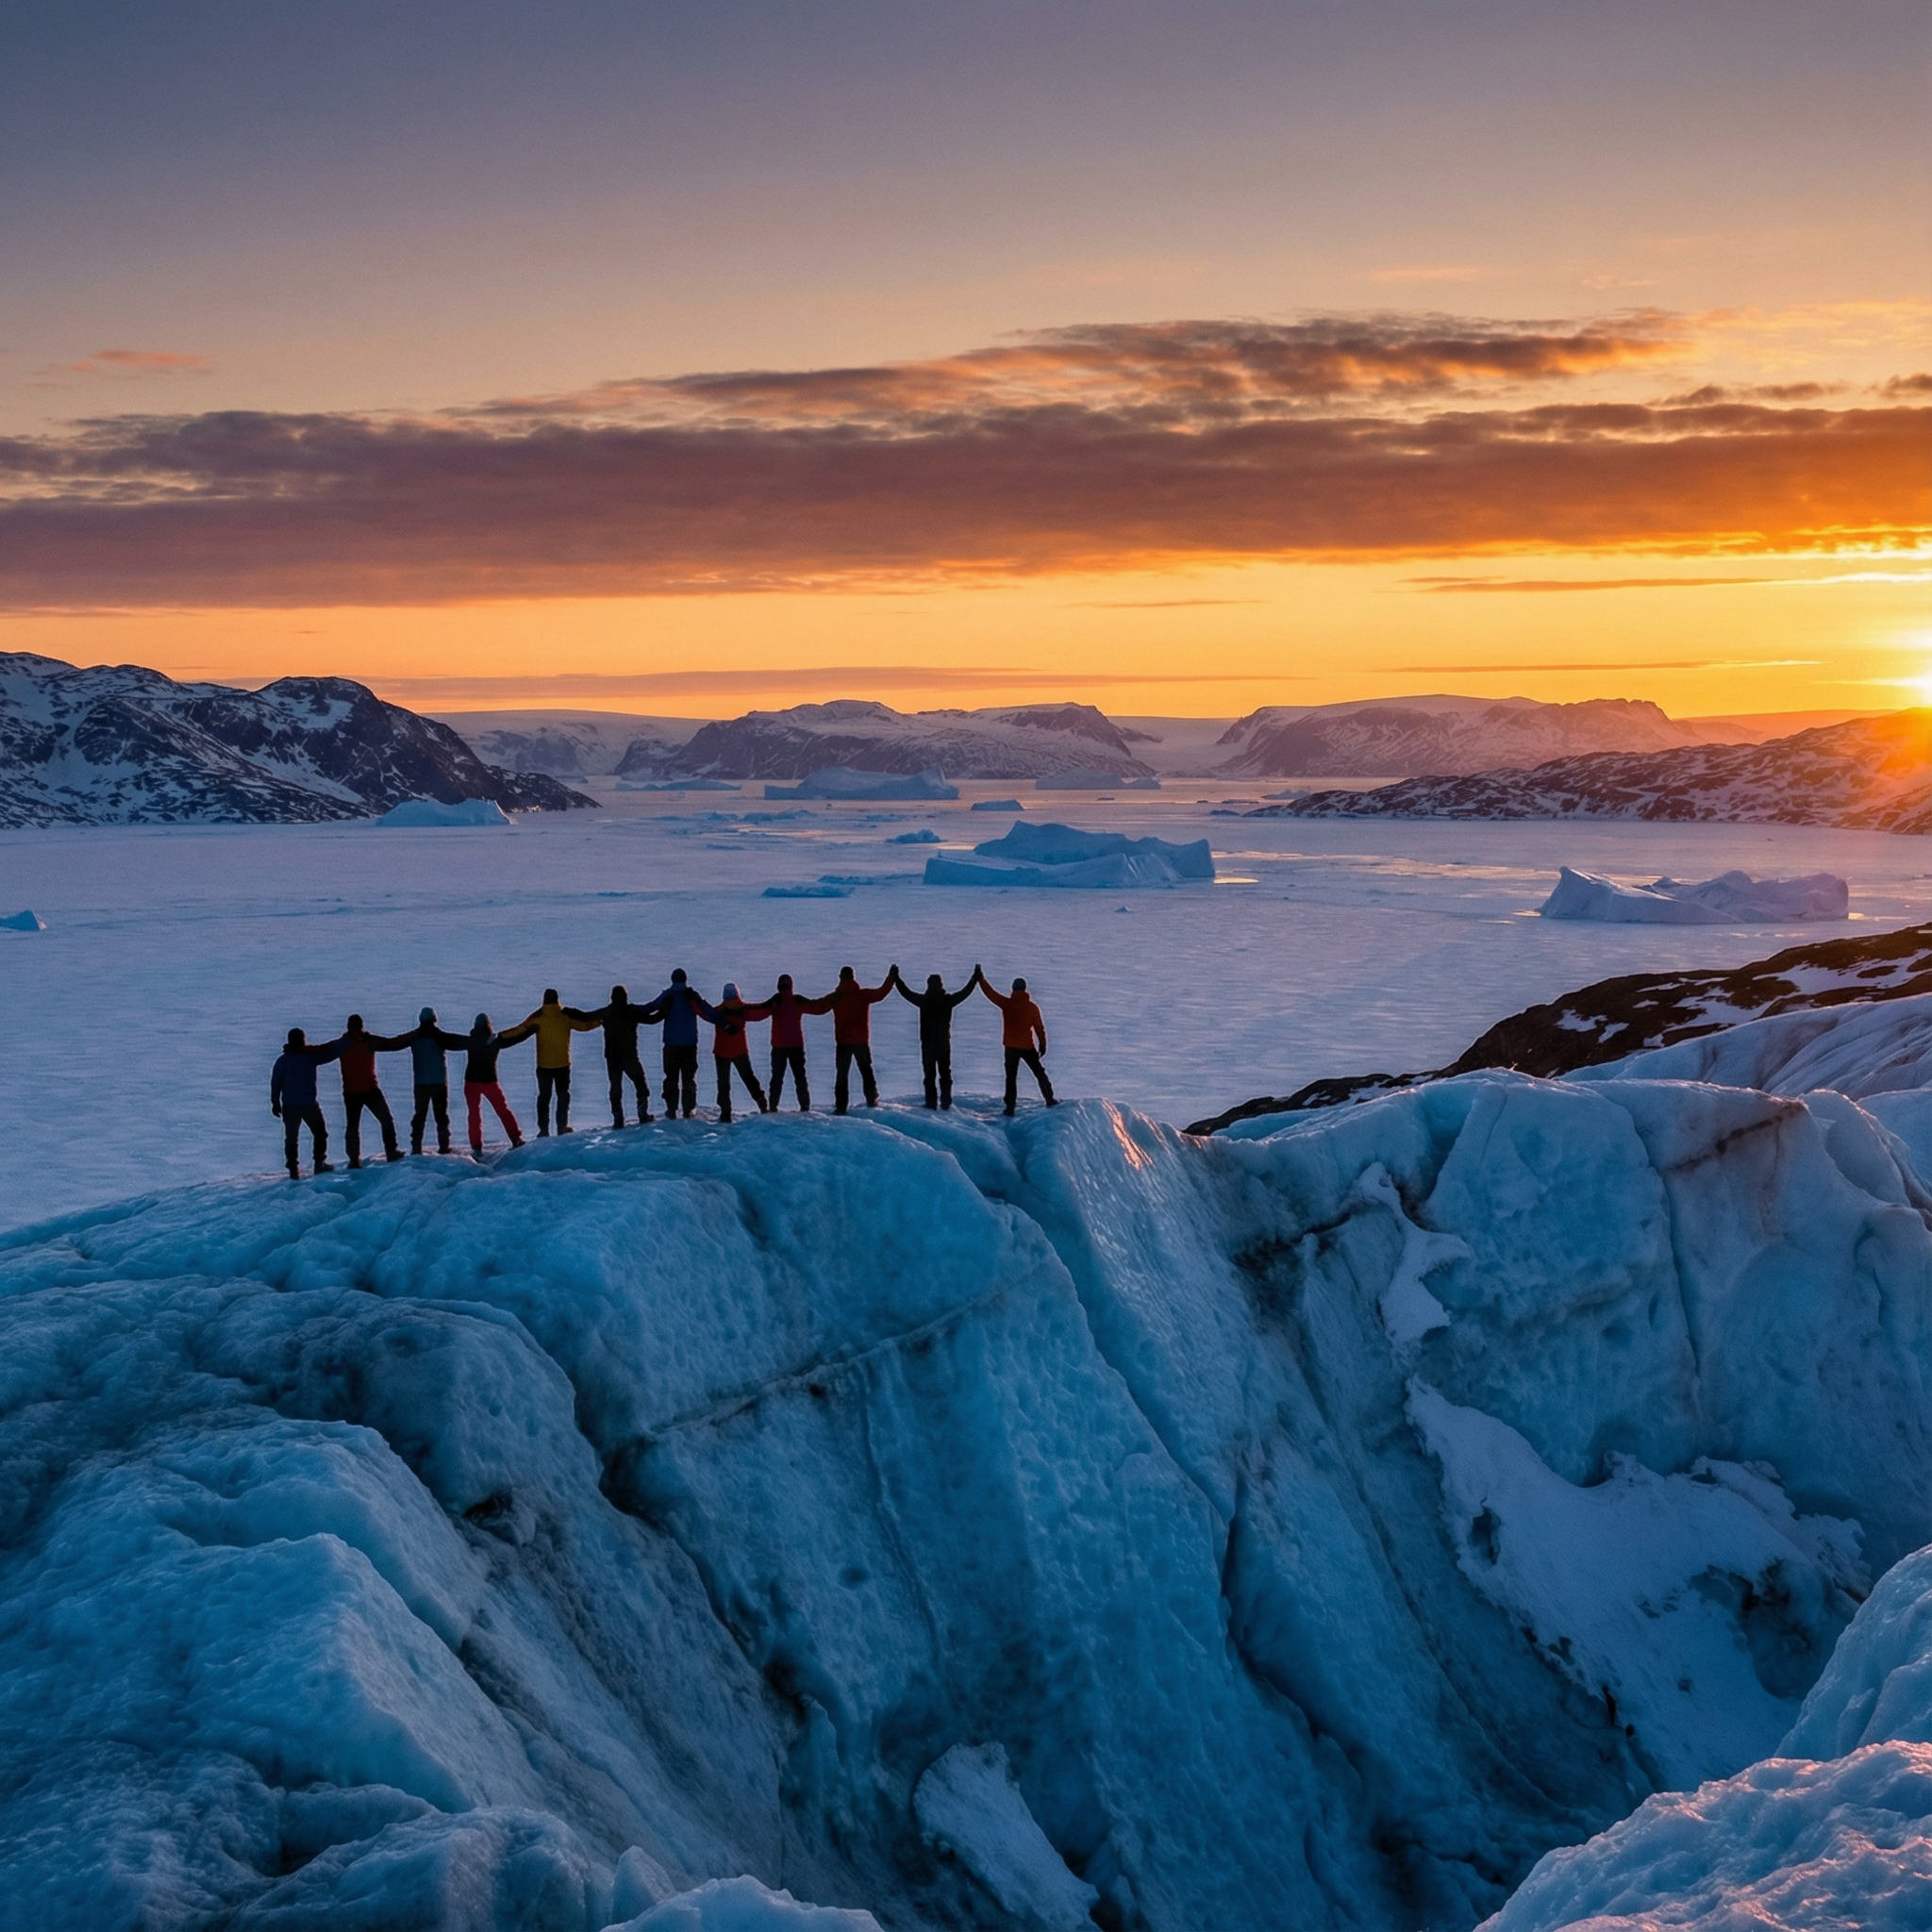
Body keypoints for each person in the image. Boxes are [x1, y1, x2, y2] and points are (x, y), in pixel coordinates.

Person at [507, 989, 598, 1135]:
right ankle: (562, 1126)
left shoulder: (537, 1016)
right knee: (563, 1095)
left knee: (544, 1097)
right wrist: (599, 1021)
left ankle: (543, 1130)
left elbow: (518, 1030)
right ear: (557, 1000)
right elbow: (584, 1026)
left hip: (543, 1066)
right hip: (563, 1064)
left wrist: (498, 1037)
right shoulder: (565, 1016)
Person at [324, 1013, 410, 1166]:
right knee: (386, 1120)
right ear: (361, 1026)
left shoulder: (342, 1043)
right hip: (370, 1089)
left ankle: (354, 1160)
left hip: (350, 1092)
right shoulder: (369, 1041)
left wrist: (298, 1049)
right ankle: (391, 1151)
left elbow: (321, 1050)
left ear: (348, 1026)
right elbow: (392, 1043)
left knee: (352, 1126)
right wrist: (414, 1034)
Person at [894, 967, 982, 1109]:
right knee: (945, 1074)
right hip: (944, 1045)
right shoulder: (947, 1000)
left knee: (930, 1076)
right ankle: (946, 1103)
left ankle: (931, 1103)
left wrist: (896, 978)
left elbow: (906, 992)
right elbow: (965, 992)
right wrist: (975, 978)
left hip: (928, 1045)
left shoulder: (924, 1001)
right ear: (941, 985)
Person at [818, 964, 897, 1114]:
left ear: (840, 978)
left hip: (843, 1043)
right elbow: (881, 993)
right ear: (853, 977)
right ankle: (871, 1099)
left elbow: (819, 1008)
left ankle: (841, 1106)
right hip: (861, 1042)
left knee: (842, 1075)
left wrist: (797, 1003)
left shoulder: (836, 997)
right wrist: (891, 978)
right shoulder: (862, 995)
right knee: (866, 1071)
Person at [978, 970, 1056, 1116]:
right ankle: (1049, 1099)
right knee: (1039, 1073)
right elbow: (1039, 1028)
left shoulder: (1007, 1004)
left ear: (1013, 989)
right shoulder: (1032, 1007)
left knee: (1011, 1079)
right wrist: (1043, 1045)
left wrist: (980, 979)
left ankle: (1010, 1108)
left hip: (1011, 1048)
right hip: (1028, 1047)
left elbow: (991, 994)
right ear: (1025, 989)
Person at [578, 984, 657, 1126]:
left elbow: (585, 1016)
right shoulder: (631, 1011)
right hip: (630, 1055)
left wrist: (565, 1011)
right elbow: (652, 1020)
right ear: (625, 998)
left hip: (612, 1056)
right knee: (641, 1085)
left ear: (612, 998)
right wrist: (665, 1010)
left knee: (615, 1087)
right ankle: (642, 1114)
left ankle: (618, 1118)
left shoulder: (607, 1012)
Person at [401, 1006, 471, 1155]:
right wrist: (477, 1040)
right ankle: (444, 1146)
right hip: (439, 1083)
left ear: (420, 1020)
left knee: (419, 1116)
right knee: (441, 1116)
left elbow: (394, 1043)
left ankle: (416, 1147)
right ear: (434, 1020)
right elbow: (458, 1041)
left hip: (420, 1084)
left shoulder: (414, 1037)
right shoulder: (440, 1037)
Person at [270, 1026, 338, 1176]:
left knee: (292, 1138)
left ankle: (293, 1169)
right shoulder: (310, 1057)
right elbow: (329, 1055)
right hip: (308, 1105)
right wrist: (344, 1044)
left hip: (290, 1105)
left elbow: (276, 1082)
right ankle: (319, 1164)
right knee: (320, 1133)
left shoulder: (283, 1061)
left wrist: (275, 1102)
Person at [643, 969, 708, 1119]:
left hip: (671, 1045)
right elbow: (707, 1010)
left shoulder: (668, 995)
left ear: (672, 979)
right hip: (689, 1045)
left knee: (671, 1077)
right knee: (688, 1078)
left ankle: (671, 1110)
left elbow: (650, 1007)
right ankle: (688, 1110)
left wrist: (632, 1010)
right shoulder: (691, 996)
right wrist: (724, 1022)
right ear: (685, 979)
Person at [763, 973, 832, 1112]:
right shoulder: (796, 1001)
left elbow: (757, 1012)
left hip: (779, 1047)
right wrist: (835, 999)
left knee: (777, 1079)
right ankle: (805, 1107)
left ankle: (773, 1107)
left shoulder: (775, 1002)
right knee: (799, 1078)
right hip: (795, 1047)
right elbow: (818, 1007)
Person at [461, 1012, 525, 1156]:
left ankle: (476, 1147)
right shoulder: (495, 1040)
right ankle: (516, 1138)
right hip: (489, 1081)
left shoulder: (470, 1040)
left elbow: (451, 1042)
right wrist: (531, 1030)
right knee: (503, 1110)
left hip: (470, 1082)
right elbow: (515, 1039)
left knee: (474, 1114)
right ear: (488, 1025)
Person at [707, 982, 771, 1122]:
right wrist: (775, 1005)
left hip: (721, 1052)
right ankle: (761, 1101)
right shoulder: (744, 1010)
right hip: (740, 1051)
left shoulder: (717, 1012)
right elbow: (760, 1012)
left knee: (723, 1083)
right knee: (749, 1077)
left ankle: (725, 1113)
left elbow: (704, 1012)